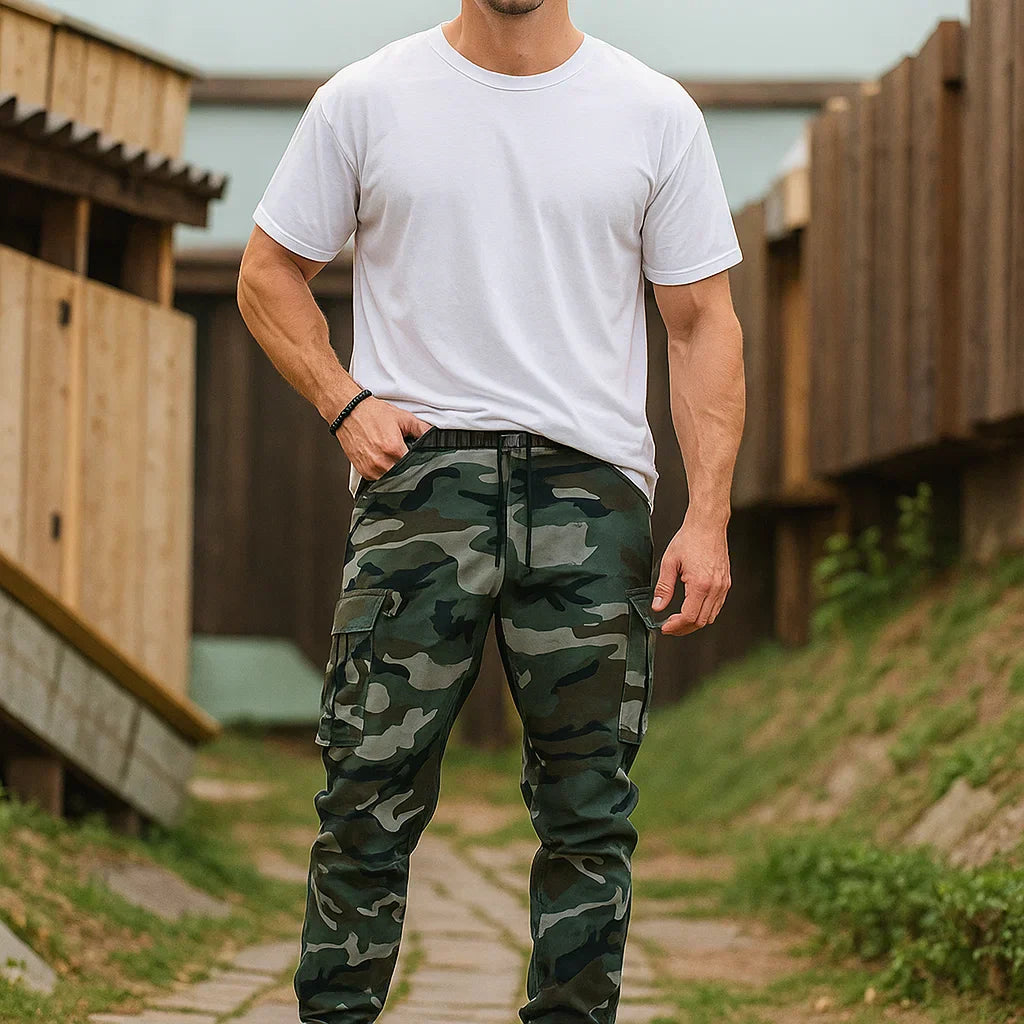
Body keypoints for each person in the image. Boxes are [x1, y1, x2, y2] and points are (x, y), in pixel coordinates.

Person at [237, 1, 745, 1020]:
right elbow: (266, 270)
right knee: (364, 799)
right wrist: (343, 402)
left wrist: (707, 517)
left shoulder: (654, 113)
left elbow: (701, 324)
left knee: (588, 815)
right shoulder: (366, 99)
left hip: (590, 495)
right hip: (421, 482)